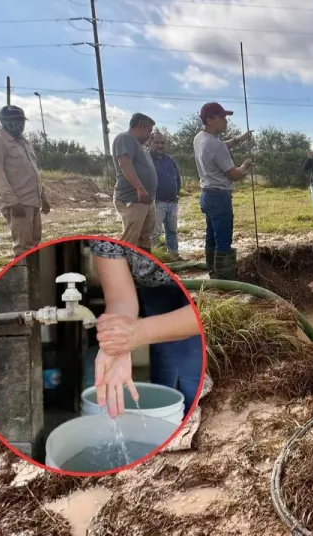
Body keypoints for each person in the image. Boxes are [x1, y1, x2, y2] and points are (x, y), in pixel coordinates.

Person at [90, 239, 204, 419]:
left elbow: (208, 312)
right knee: (165, 361)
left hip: (201, 286)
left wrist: (138, 332)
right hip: (154, 287)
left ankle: (193, 414)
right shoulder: (104, 237)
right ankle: (167, 418)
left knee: (192, 366)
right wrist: (117, 341)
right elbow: (121, 299)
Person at [193, 102, 253, 280]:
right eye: (222, 118)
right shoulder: (216, 145)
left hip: (206, 194)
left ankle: (213, 273)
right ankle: (225, 280)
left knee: (211, 235)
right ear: (210, 119)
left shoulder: (200, 138)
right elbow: (233, 174)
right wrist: (245, 167)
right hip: (220, 196)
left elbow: (219, 146)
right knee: (223, 240)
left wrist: (239, 140)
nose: (226, 121)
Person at [0, 105, 51, 257]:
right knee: (23, 247)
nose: (18, 124)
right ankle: (23, 279)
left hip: (33, 201)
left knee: (34, 244)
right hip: (18, 203)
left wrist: (43, 197)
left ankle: (33, 277)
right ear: (3, 121)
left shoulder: (24, 143)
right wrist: (13, 202)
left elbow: (34, 172)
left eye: (21, 121)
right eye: (14, 120)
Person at [112, 113, 157, 252]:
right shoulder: (125, 138)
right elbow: (124, 163)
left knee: (145, 238)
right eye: (149, 130)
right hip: (132, 198)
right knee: (130, 240)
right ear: (141, 126)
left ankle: (143, 269)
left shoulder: (139, 145)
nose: (150, 135)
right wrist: (140, 188)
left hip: (146, 200)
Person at [148, 131, 183, 260]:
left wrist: (177, 192)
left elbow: (177, 177)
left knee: (172, 231)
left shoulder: (169, 159)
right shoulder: (147, 159)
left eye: (162, 142)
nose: (160, 145)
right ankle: (158, 259)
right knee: (155, 233)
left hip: (172, 202)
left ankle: (174, 255)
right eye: (156, 142)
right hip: (157, 202)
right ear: (149, 143)